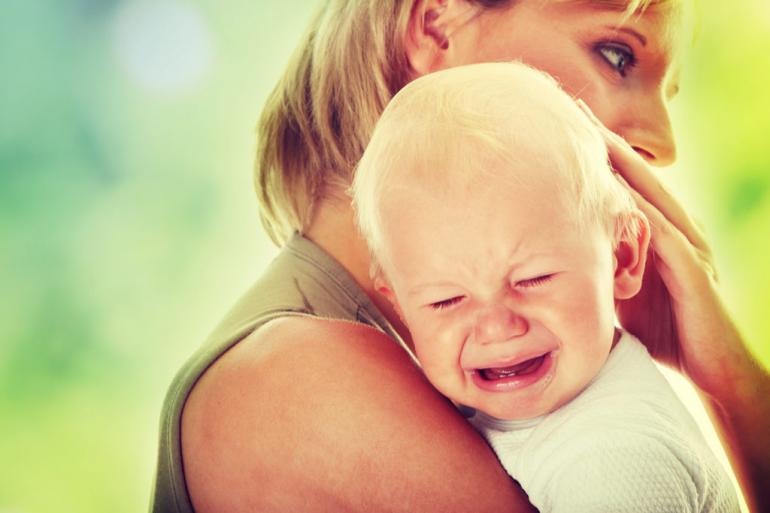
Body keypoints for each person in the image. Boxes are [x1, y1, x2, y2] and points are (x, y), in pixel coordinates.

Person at [150, 1, 770, 512]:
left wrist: (719, 375)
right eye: (616, 55)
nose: (661, 142)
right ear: (436, 23)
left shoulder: (476, 369)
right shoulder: (296, 381)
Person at [351, 60, 740, 512]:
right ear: (399, 307)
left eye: (533, 279)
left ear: (623, 257)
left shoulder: (612, 464)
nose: (497, 328)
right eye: (446, 300)